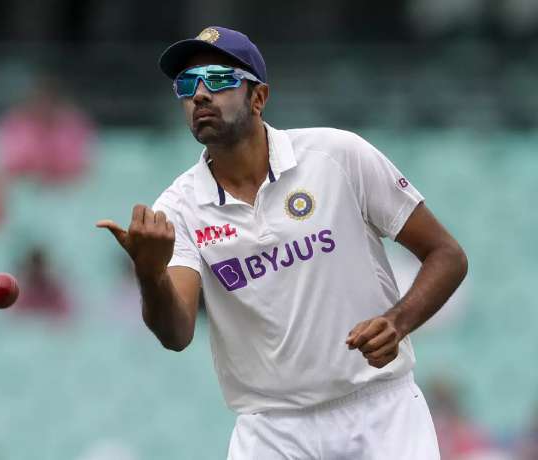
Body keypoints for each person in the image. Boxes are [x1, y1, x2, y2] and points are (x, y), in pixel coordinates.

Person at [97, 26, 468, 459]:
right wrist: (149, 273)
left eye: (218, 79)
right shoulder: (178, 207)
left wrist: (397, 322)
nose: (199, 95)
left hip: (381, 413)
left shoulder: (336, 155)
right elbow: (176, 334)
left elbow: (447, 255)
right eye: (186, 84)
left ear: (259, 98)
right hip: (271, 431)